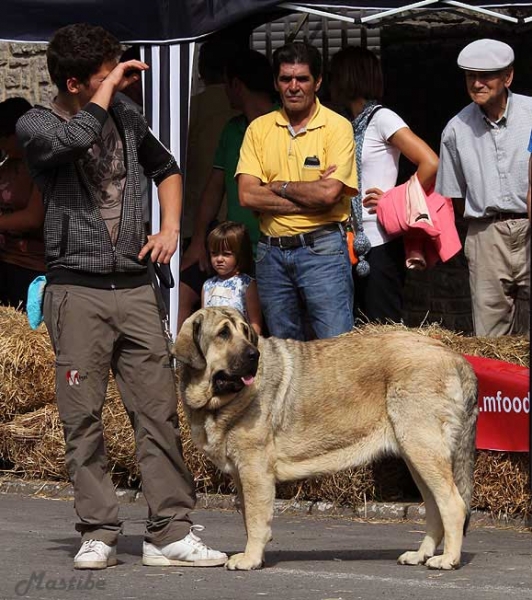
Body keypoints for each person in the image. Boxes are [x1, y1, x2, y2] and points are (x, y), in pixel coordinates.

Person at [16, 23, 227, 570]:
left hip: (134, 287)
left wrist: (171, 228)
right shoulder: (36, 123)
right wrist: (108, 91)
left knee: (157, 412)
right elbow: (75, 139)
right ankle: (99, 530)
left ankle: (171, 531)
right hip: (76, 289)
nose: (120, 79)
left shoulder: (128, 115)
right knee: (81, 416)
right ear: (74, 82)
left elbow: (167, 168)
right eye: (105, 73)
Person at [236, 42, 358, 341]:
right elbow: (247, 196)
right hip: (271, 253)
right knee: (285, 353)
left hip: (323, 250)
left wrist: (278, 186)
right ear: (276, 83)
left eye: (302, 79)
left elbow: (329, 194)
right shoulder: (259, 129)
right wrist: (312, 198)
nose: (293, 86)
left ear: (317, 82)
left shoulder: (337, 127)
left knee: (336, 348)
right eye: (285, 79)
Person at [329, 46, 439, 324]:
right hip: (347, 239)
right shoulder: (346, 125)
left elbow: (430, 162)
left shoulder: (382, 118)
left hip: (380, 240)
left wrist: (397, 199)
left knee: (383, 327)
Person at [436, 39, 532, 337]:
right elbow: (454, 197)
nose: (476, 83)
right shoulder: (455, 129)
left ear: (508, 77)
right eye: (469, 76)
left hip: (529, 225)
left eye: (485, 75)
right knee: (491, 337)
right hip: (485, 232)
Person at [178, 49, 275, 331]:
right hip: (234, 244)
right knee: (185, 293)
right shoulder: (233, 129)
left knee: (261, 322)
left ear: (235, 85)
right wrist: (198, 242)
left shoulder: (281, 124)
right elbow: (214, 186)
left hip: (273, 246)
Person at [182, 38, 238, 243]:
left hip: (194, 218)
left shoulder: (190, 108)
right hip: (234, 218)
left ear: (201, 70)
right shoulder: (244, 105)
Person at [0, 97, 45, 310]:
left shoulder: (42, 166)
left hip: (32, 267)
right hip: (6, 261)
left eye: (3, 138)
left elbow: (32, 218)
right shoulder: (6, 167)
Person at [202, 221, 262, 334]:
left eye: (226, 254)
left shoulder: (247, 284)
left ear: (240, 254)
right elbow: (204, 320)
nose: (219, 259)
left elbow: (255, 323)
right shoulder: (207, 285)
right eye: (214, 254)